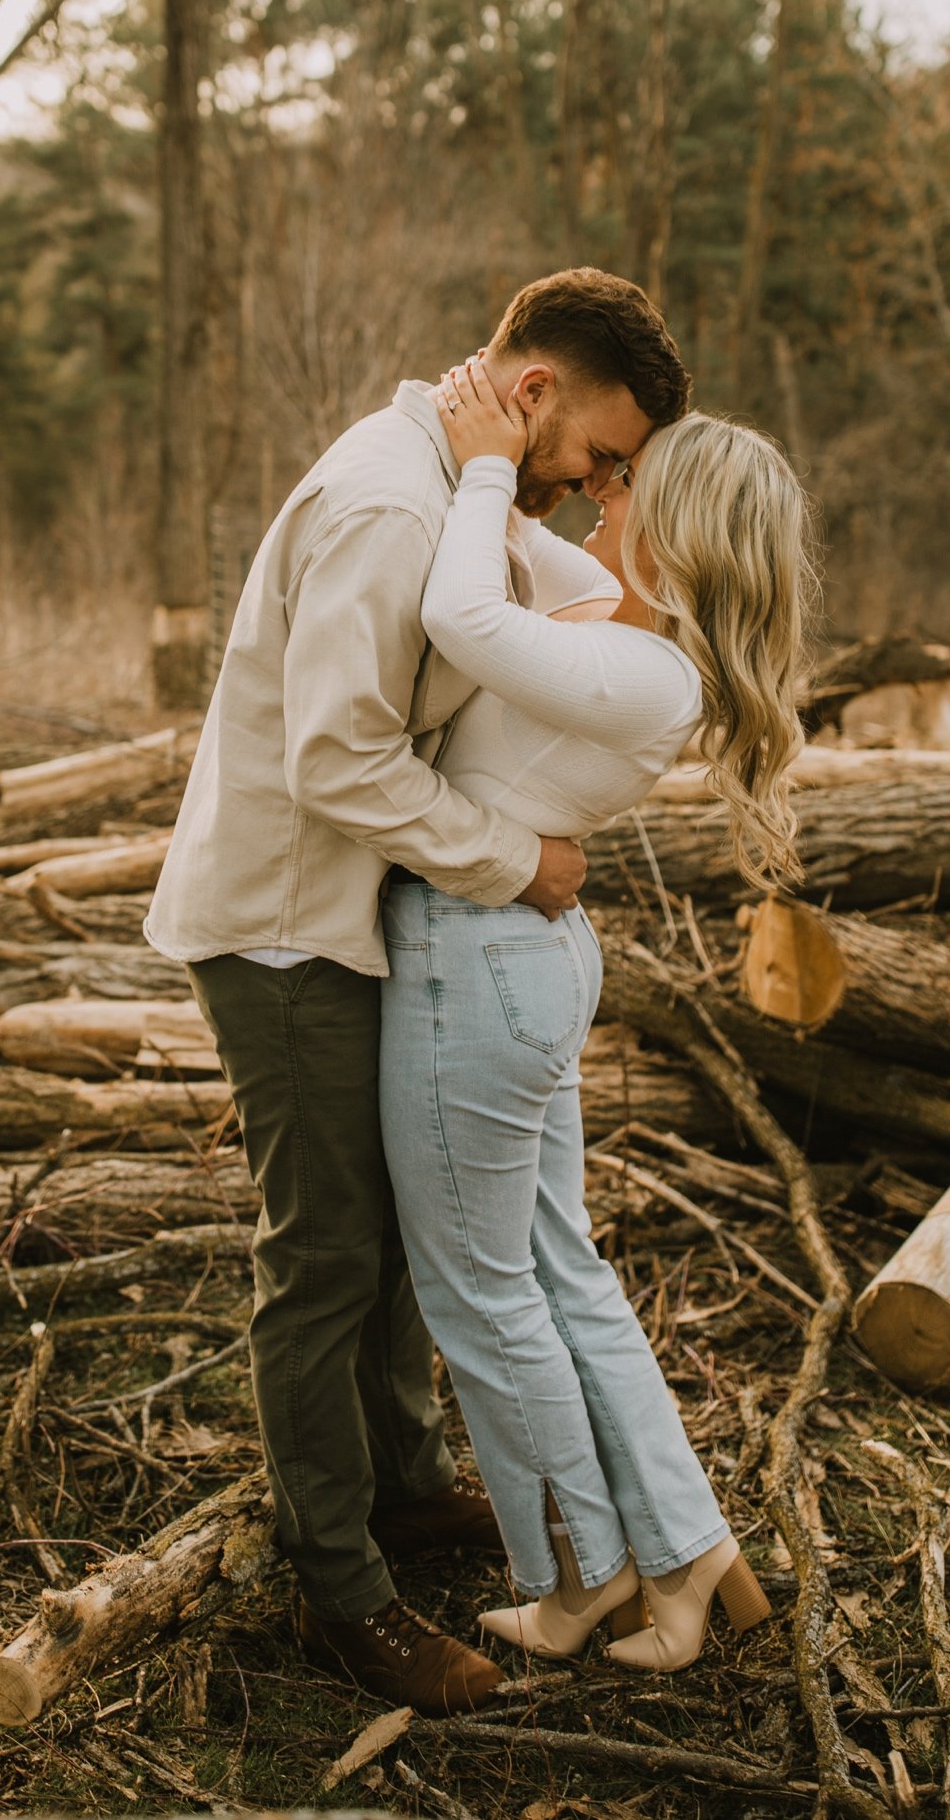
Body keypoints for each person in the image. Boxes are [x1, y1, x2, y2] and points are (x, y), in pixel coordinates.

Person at [145, 268, 690, 1715]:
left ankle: (399, 1486)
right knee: (324, 1255)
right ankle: (341, 1589)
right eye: (597, 456)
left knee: (384, 1227)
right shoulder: (394, 505)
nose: (594, 492)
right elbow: (335, 759)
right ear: (531, 397)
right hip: (283, 926)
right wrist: (518, 860)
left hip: (355, 913)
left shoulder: (457, 484)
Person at [378, 353, 808, 1672]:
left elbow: (460, 610)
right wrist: (474, 434)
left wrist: (495, 458)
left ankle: (578, 1578)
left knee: (483, 1294)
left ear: (678, 528)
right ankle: (692, 1557)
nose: (601, 491)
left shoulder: (646, 676)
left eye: (629, 483)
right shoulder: (617, 629)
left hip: (476, 966)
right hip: (511, 958)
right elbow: (512, 553)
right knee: (559, 1273)